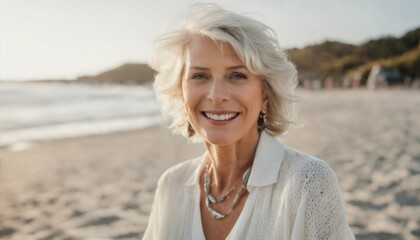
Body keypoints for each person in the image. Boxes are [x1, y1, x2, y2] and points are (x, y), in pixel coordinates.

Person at [144, 3, 355, 240]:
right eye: (199, 76)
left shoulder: (308, 184)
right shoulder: (171, 185)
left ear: (265, 92)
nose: (216, 95)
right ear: (180, 91)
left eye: (237, 75)